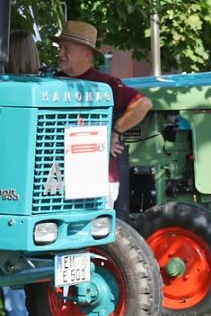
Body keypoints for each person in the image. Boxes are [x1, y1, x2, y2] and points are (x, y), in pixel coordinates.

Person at [54, 20, 152, 218]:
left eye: (66, 48)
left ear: (87, 54)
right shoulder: (51, 83)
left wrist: (114, 132)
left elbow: (143, 104)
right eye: (60, 48)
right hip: (57, 181)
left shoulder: (106, 84)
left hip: (97, 180)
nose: (60, 53)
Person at [1, 30, 42, 316]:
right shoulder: (42, 88)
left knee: (8, 256)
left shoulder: (7, 91)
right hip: (43, 184)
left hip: (11, 184)